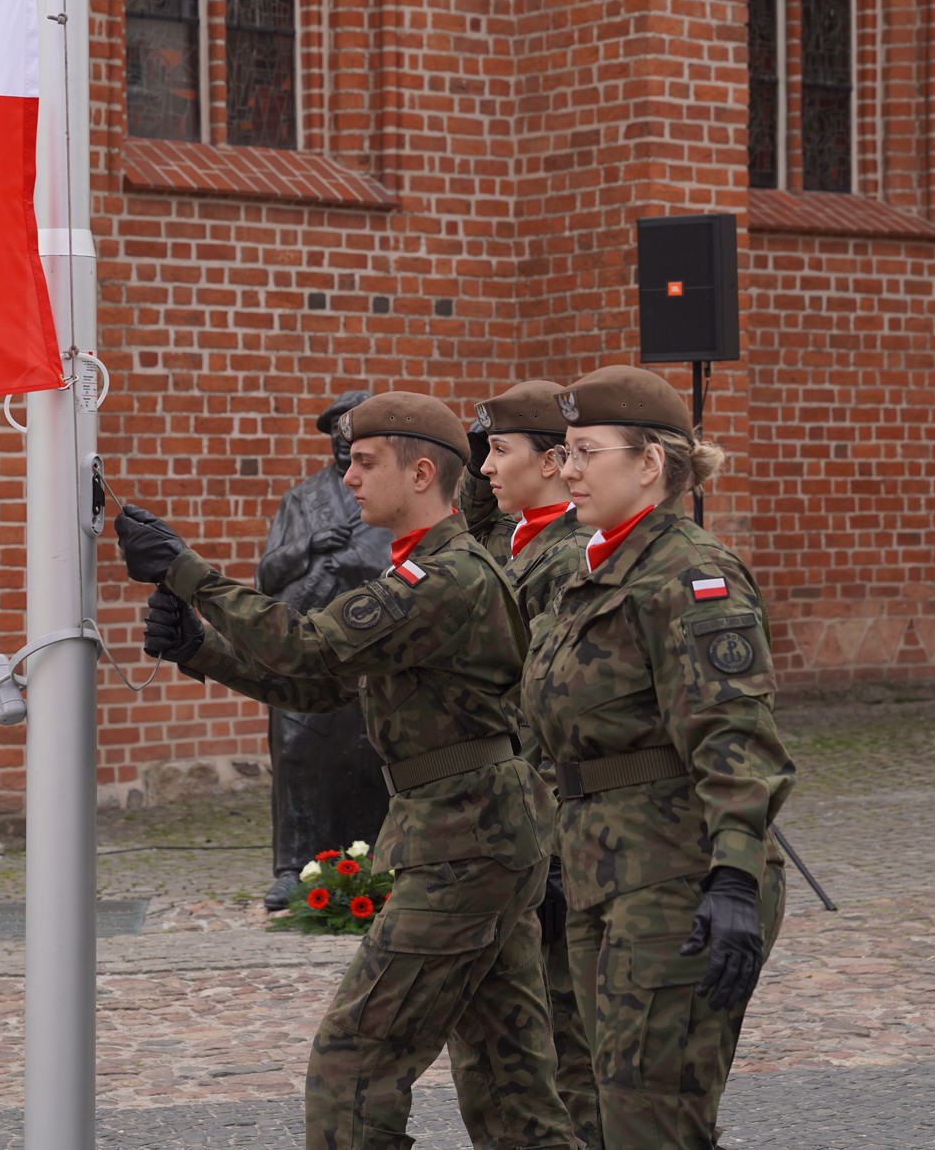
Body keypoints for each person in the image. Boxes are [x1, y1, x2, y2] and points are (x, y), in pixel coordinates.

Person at [116, 391, 574, 1150]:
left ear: (420, 473)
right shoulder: (424, 568)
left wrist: (187, 572)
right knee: (510, 1083)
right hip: (477, 838)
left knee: (354, 1060)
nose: (348, 478)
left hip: (464, 844)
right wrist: (200, 649)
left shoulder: (445, 577)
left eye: (364, 462)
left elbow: (311, 645)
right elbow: (325, 688)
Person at [520, 365, 794, 1150]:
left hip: (678, 876)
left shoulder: (691, 573)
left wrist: (734, 877)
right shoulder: (591, 569)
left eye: (586, 451)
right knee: (612, 1112)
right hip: (601, 870)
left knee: (654, 1118)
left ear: (649, 462)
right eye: (565, 451)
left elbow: (735, 736)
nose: (568, 469)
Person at [458, 379, 601, 1148]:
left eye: (499, 451)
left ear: (551, 462)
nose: (484, 467)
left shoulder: (568, 557)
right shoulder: (518, 542)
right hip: (513, 821)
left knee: (570, 1040)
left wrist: (547, 849)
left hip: (554, 827)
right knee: (530, 1034)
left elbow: (552, 714)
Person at [256, 390, 394, 911]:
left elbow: (402, 562)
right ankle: (293, 866)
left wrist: (351, 563)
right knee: (295, 749)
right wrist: (311, 546)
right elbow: (268, 575)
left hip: (370, 643)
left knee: (369, 751)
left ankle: (372, 861)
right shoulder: (302, 499)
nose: (343, 442)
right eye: (337, 433)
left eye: (353, 434)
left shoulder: (389, 494)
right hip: (308, 644)